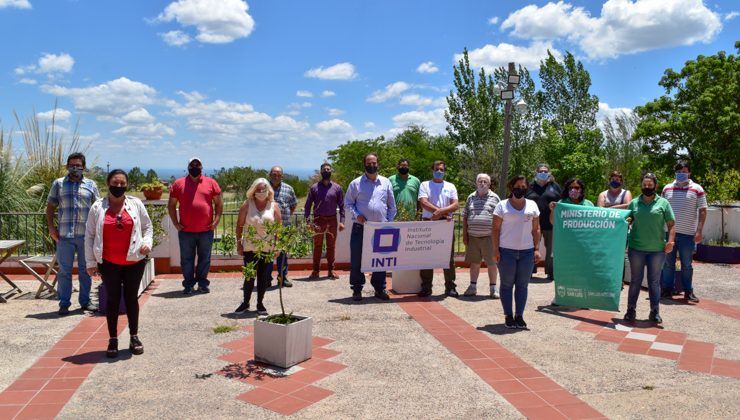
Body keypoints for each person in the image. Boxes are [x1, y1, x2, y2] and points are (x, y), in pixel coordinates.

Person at [84, 170, 152, 358]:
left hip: (134, 261)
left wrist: (147, 243)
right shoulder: (97, 207)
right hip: (108, 263)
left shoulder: (136, 204)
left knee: (131, 298)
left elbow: (147, 227)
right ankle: (112, 338)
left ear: (127, 185)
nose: (119, 186)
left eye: (123, 184)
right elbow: (89, 236)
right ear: (108, 183)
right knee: (113, 300)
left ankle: (134, 336)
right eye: (115, 183)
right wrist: (90, 262)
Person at [46, 152, 100, 316]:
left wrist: (98, 233)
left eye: (78, 166)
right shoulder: (59, 184)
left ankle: (85, 302)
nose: (75, 168)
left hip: (86, 236)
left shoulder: (91, 185)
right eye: (72, 165)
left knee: (86, 270)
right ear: (67, 166)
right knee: (64, 271)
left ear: (84, 167)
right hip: (64, 236)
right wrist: (51, 228)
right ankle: (64, 303)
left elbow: (98, 209)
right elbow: (50, 207)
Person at [344, 153, 396, 301]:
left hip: (380, 229)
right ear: (364, 164)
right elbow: (348, 203)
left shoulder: (386, 182)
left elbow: (392, 206)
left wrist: (388, 222)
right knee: (357, 259)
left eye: (374, 163)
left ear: (378, 164)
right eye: (369, 163)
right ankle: (357, 289)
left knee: (380, 259)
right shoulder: (355, 183)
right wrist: (357, 215)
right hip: (360, 228)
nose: (371, 165)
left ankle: (379, 288)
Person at [624, 173, 675, 325]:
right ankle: (630, 309)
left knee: (654, 282)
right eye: (644, 185)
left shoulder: (664, 203)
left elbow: (671, 225)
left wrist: (670, 242)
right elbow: (628, 220)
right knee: (635, 281)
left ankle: (655, 311)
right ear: (641, 186)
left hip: (657, 250)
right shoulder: (633, 203)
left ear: (655, 186)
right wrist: (628, 220)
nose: (647, 187)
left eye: (650, 185)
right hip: (636, 248)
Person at [168, 157, 223, 295]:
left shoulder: (211, 183)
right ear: (188, 167)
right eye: (192, 165)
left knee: (205, 259)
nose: (195, 167)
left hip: (206, 230)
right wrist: (175, 223)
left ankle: (203, 284)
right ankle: (188, 285)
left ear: (202, 168)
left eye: (197, 165)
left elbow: (219, 203)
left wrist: (216, 221)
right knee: (186, 260)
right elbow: (171, 205)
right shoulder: (178, 184)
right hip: (186, 231)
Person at [493, 175, 541, 329]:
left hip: (527, 252)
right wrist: (496, 250)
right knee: (507, 285)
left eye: (523, 187)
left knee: (522, 285)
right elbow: (495, 229)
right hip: (506, 251)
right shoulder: (502, 205)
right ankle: (508, 315)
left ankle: (519, 315)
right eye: (517, 186)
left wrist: (537, 249)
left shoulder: (532, 205)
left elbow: (536, 229)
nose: (520, 189)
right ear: (511, 187)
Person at [661, 162, 707, 302]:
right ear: (675, 172)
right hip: (669, 233)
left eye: (685, 171)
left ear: (689, 173)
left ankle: (688, 291)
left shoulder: (697, 189)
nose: (682, 173)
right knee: (668, 263)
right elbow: (661, 209)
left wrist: (699, 231)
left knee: (687, 264)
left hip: (688, 234)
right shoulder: (667, 188)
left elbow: (703, 210)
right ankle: (667, 290)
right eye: (679, 171)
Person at [234, 178, 282, 316]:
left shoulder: (274, 206)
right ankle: (245, 302)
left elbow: (279, 228)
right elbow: (239, 225)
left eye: (264, 190)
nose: (261, 192)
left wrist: (277, 246)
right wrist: (239, 243)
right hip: (249, 246)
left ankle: (260, 303)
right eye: (258, 189)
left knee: (263, 277)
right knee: (249, 276)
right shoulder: (247, 205)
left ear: (269, 191)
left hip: (266, 248)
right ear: (253, 190)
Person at [418, 160, 459, 298]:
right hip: (429, 222)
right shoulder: (424, 184)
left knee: (448, 257)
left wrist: (440, 213)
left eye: (442, 169)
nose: (439, 172)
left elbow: (455, 205)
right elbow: (423, 202)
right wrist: (440, 212)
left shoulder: (450, 186)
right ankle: (426, 287)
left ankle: (450, 287)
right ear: (432, 169)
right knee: (427, 256)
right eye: (437, 169)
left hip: (446, 223)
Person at [304, 163, 345, 279]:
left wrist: (342, 221)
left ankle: (331, 270)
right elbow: (307, 206)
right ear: (321, 172)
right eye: (324, 169)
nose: (326, 171)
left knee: (331, 247)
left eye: (328, 169)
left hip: (332, 221)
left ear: (331, 171)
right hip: (318, 221)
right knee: (317, 246)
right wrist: (308, 221)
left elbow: (342, 206)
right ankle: (316, 271)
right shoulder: (314, 188)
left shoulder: (337, 188)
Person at [462, 174, 500, 299]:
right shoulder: (470, 197)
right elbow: (465, 216)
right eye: (480, 181)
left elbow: (499, 218)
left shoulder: (495, 198)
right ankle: (472, 287)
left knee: (492, 263)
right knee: (474, 263)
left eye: (485, 181)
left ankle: (493, 288)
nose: (482, 183)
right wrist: (465, 235)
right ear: (476, 183)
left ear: (489, 184)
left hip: (489, 237)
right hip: (473, 236)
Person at [525, 164, 561, 281]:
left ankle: (551, 272)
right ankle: (529, 270)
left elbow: (562, 201)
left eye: (545, 171)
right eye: (541, 171)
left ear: (549, 173)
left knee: (551, 249)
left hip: (551, 223)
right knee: (530, 247)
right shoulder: (529, 186)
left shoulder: (555, 186)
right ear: (536, 172)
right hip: (532, 224)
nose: (543, 173)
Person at [598, 170, 633, 285]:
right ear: (609, 180)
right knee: (605, 254)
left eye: (617, 179)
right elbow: (600, 209)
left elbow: (628, 206)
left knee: (620, 255)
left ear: (621, 181)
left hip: (621, 229)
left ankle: (619, 280)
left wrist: (609, 208)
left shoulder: (626, 193)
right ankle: (605, 278)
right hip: (606, 229)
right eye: (613, 179)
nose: (615, 181)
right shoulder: (603, 194)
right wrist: (618, 208)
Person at [268, 166, 297, 288]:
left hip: (284, 228)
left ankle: (282, 277)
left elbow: (293, 205)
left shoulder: (288, 189)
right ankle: (266, 278)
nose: (276, 177)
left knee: (283, 254)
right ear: (270, 175)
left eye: (279, 175)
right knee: (267, 254)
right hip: (267, 229)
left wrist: (284, 216)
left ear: (282, 176)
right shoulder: (264, 188)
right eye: (274, 174)